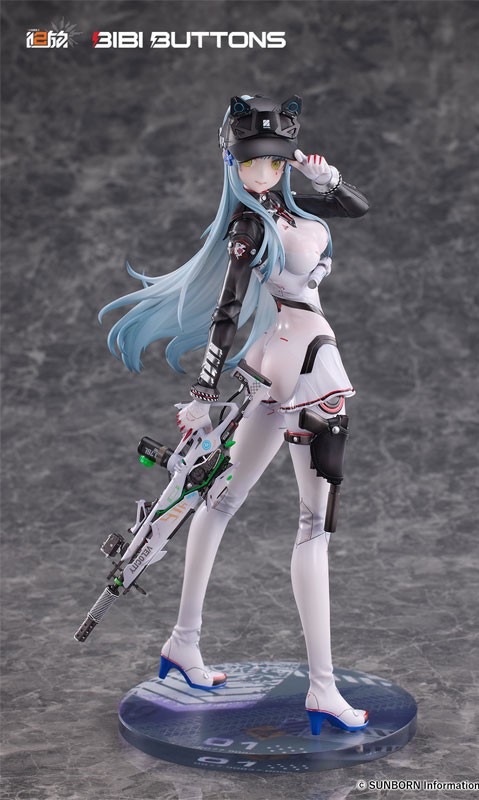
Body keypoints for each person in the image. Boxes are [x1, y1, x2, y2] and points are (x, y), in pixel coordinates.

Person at [100, 94, 370, 735]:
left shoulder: (292, 208)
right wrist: (202, 395)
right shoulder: (249, 228)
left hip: (281, 362)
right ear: (232, 163)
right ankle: (321, 688)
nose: (265, 172)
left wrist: (325, 179)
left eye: (275, 161)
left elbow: (356, 206)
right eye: (252, 162)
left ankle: (183, 643)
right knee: (308, 524)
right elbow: (226, 313)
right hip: (305, 368)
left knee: (221, 502)